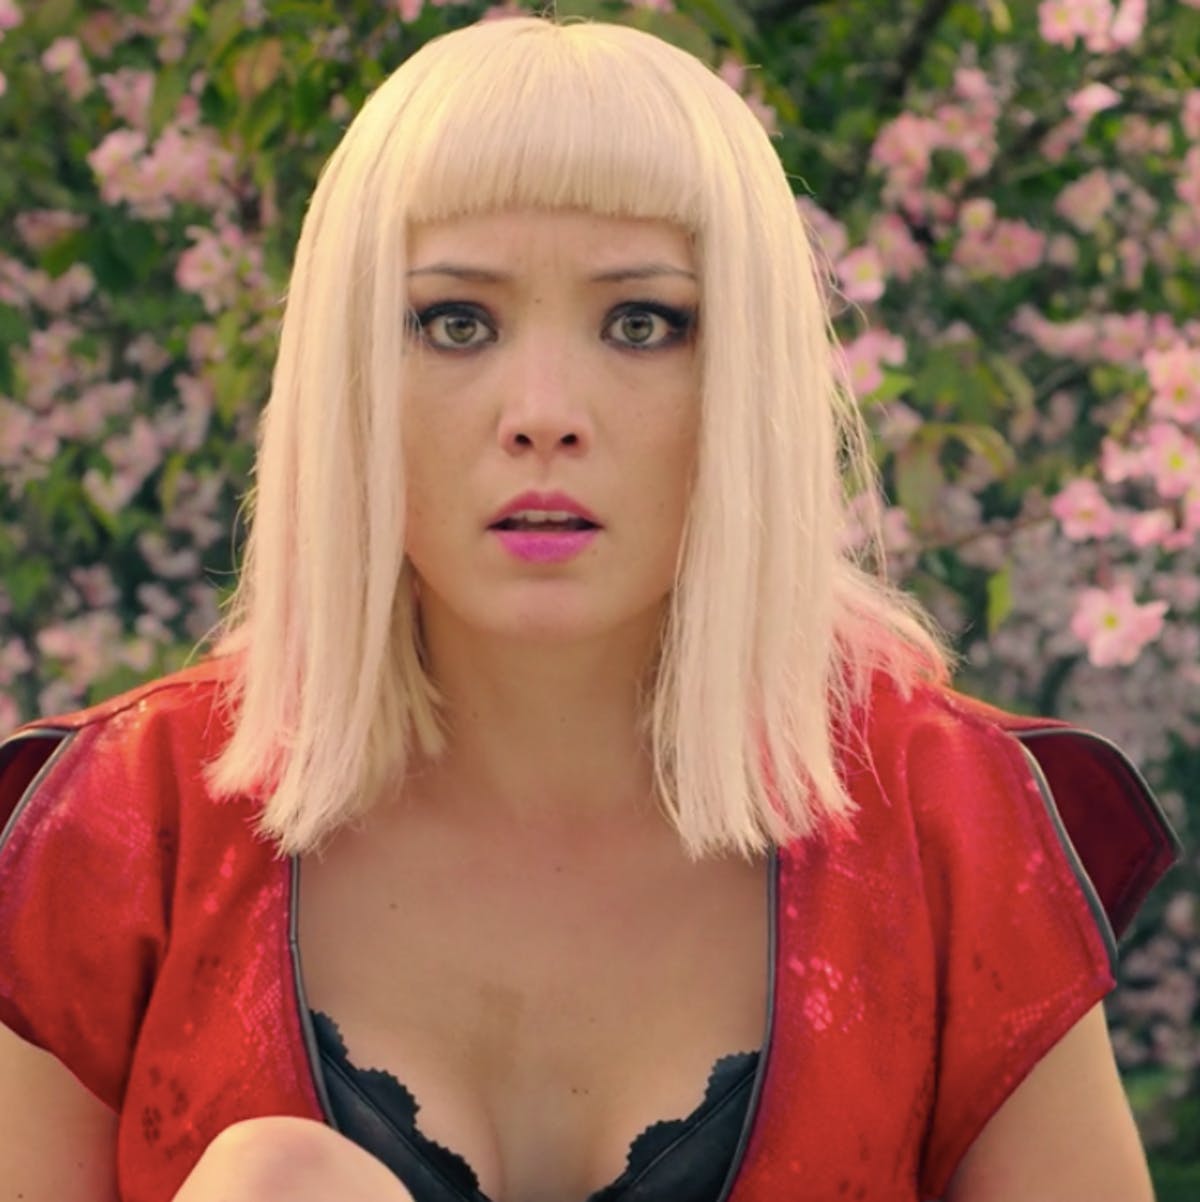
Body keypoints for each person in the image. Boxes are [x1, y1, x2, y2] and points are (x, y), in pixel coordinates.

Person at [0, 13, 1182, 1202]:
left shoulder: (946, 821)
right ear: (347, 373)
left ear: (747, 376)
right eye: (456, 321)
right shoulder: (127, 823)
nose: (545, 412)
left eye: (642, 323)